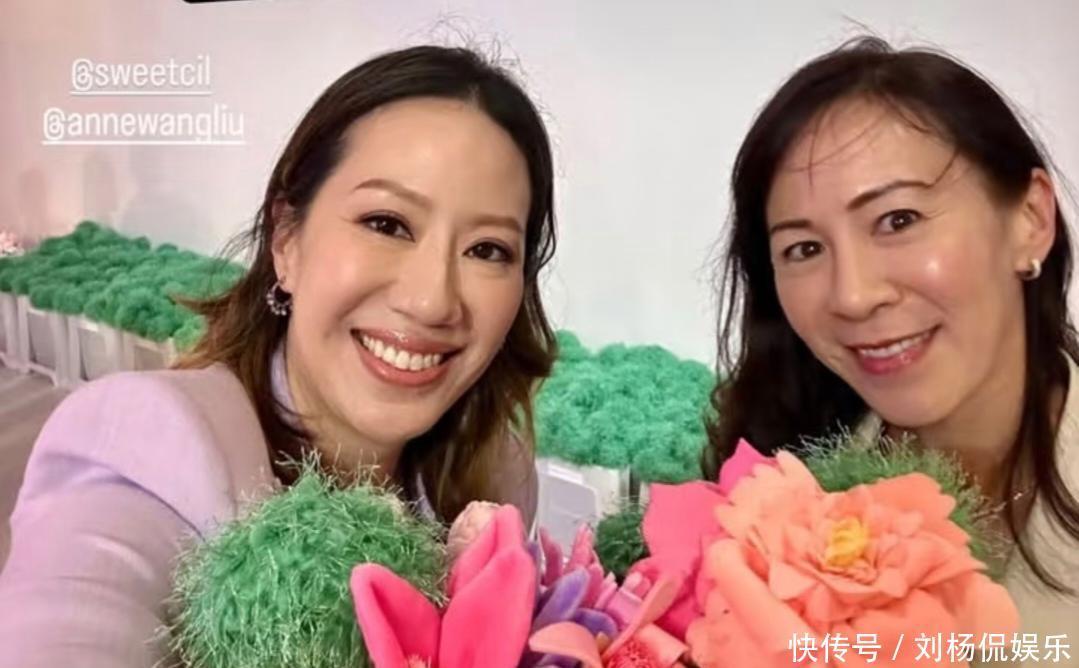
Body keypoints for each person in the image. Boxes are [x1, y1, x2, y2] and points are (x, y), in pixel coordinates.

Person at [0, 45, 558, 667]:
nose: (432, 301)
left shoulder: (497, 472)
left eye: (487, 250)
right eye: (387, 223)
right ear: (287, 239)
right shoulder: (151, 441)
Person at [707, 37, 1079, 646]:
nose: (853, 296)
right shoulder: (774, 481)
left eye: (898, 220)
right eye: (804, 248)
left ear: (1031, 220)